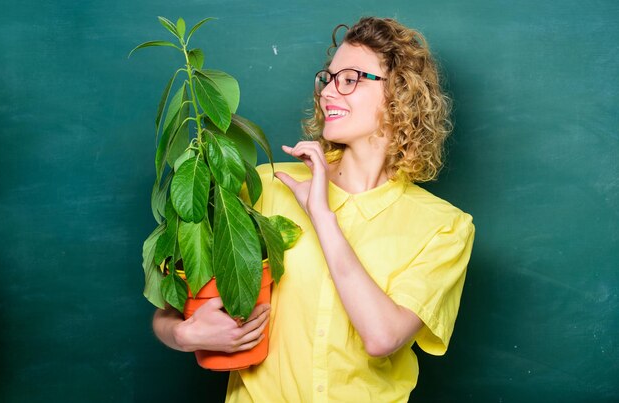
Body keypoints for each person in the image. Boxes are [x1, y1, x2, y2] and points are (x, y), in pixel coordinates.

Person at [154, 16, 474, 402]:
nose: (327, 92)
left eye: (351, 79)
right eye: (328, 77)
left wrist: (321, 215)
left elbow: (382, 337)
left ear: (400, 94)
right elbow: (170, 303)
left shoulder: (444, 227)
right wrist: (183, 334)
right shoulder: (266, 184)